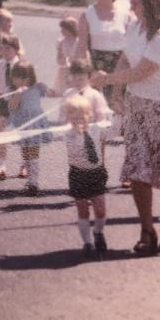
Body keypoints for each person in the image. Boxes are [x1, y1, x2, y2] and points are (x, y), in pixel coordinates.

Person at [92, 0, 160, 255]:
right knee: (137, 169)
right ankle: (146, 231)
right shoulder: (135, 27)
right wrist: (116, 93)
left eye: (135, 3)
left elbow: (142, 72)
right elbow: (125, 59)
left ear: (149, 3)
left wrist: (108, 79)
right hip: (137, 107)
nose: (131, 8)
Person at [77, 0, 133, 110]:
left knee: (123, 109)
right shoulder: (87, 15)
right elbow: (82, 49)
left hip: (122, 68)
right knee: (99, 112)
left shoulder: (126, 15)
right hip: (97, 69)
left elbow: (133, 46)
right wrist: (90, 73)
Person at [61, 95, 110, 258]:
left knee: (101, 210)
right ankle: (87, 242)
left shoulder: (97, 129)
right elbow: (74, 151)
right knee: (83, 210)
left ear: (90, 115)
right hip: (78, 174)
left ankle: (98, 231)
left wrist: (116, 114)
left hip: (96, 173)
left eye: (82, 116)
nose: (79, 120)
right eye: (74, 117)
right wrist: (78, 134)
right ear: (68, 118)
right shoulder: (69, 135)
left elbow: (114, 129)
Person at [7, 61, 52, 195]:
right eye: (17, 77)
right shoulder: (12, 91)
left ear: (31, 77)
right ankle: (29, 177)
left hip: (35, 124)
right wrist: (18, 93)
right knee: (25, 152)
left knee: (33, 152)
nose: (21, 81)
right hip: (23, 125)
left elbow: (51, 93)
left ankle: (33, 182)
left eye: (24, 77)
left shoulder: (37, 88)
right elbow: (12, 107)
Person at [0, 33, 24, 181]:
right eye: (3, 49)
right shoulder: (0, 64)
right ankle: (1, 166)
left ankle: (25, 165)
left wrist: (18, 92)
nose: (5, 52)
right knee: (1, 133)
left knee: (21, 134)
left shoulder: (21, 65)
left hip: (19, 102)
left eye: (8, 49)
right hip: (3, 101)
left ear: (16, 49)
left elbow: (28, 84)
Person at [52, 17, 79, 95]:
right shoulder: (61, 42)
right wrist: (62, 60)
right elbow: (59, 59)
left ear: (71, 29)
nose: (62, 31)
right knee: (64, 92)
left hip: (76, 69)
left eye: (65, 29)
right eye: (62, 29)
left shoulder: (78, 41)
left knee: (76, 91)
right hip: (64, 70)